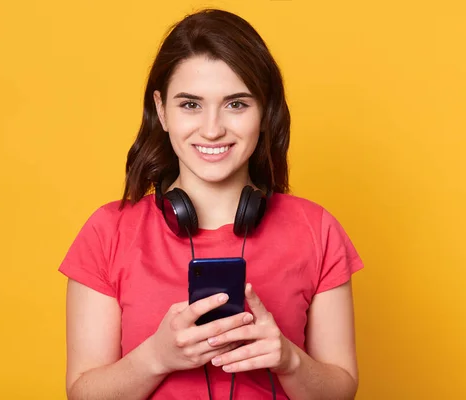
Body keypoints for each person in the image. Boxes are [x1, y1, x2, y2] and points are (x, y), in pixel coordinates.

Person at [58, 8, 364, 400]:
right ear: (161, 110)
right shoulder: (107, 232)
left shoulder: (317, 229)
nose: (213, 128)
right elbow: (82, 394)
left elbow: (341, 391)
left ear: (265, 113)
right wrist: (157, 356)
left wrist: (289, 359)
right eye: (190, 104)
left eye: (236, 104)